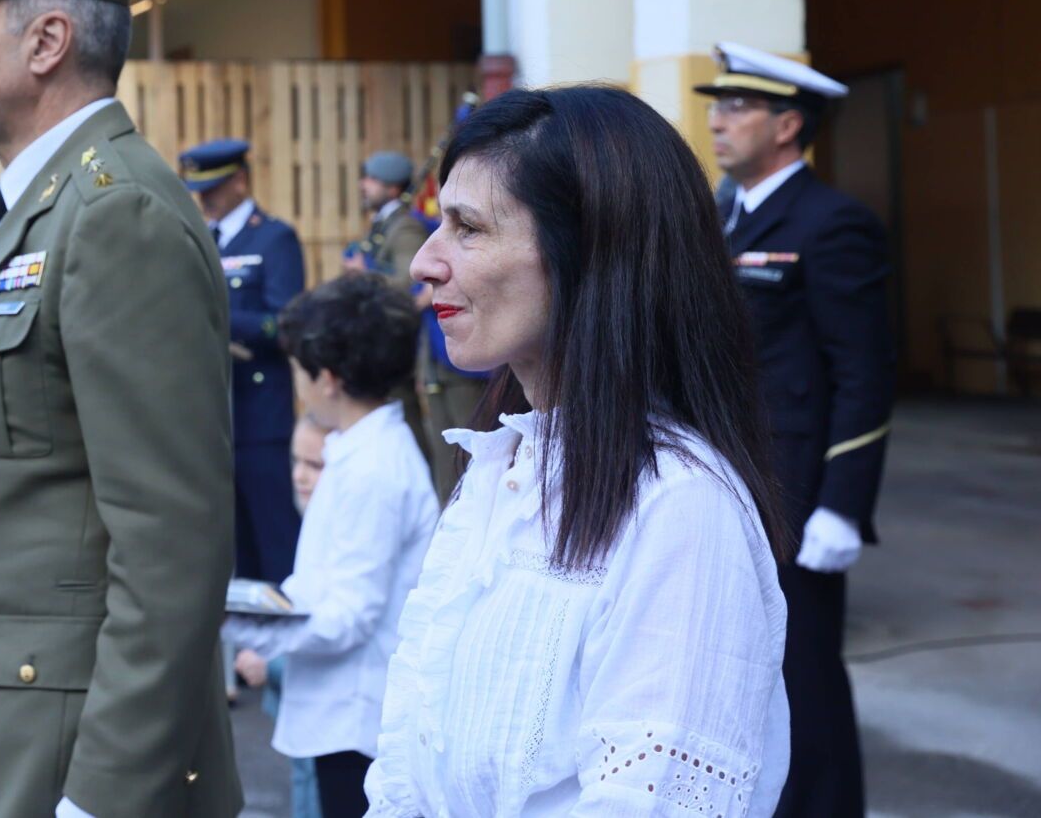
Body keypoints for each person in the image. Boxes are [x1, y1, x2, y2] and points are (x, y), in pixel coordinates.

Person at [365, 85, 794, 816]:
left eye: (468, 228)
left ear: (588, 250)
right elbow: (413, 759)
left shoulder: (678, 508)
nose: (425, 263)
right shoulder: (506, 462)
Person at [0, 0, 241, 818]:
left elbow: (172, 547)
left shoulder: (113, 215)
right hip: (3, 733)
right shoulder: (48, 206)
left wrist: (103, 798)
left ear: (47, 39)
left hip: (64, 761)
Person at [697, 42, 896, 818]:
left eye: (736, 106)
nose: (717, 120)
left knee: (805, 685)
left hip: (796, 497)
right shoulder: (723, 214)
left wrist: (843, 504)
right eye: (715, 105)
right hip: (725, 482)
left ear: (787, 125)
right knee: (738, 671)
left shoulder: (831, 222)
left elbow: (864, 371)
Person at [224, 273, 439, 818]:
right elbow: (319, 585)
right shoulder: (358, 451)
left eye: (297, 369)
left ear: (328, 379)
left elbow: (349, 616)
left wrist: (229, 615)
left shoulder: (373, 468)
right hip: (342, 712)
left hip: (357, 719)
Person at [178, 137, 306, 583]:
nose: (203, 198)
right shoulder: (199, 240)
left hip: (258, 419)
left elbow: (286, 322)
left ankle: (280, 653)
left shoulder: (272, 238)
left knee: (273, 547)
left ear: (240, 180)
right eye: (197, 189)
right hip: (212, 418)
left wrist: (216, 314)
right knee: (232, 556)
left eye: (212, 188)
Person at [346, 149, 485, 498]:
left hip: (419, 349)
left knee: (460, 446)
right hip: (417, 354)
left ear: (393, 188)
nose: (364, 185)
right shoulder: (384, 224)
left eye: (373, 180)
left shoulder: (403, 225)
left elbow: (412, 283)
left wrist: (368, 275)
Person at [234, 414, 330, 818]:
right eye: (296, 462)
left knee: (311, 785)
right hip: (313, 701)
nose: (299, 477)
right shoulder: (316, 523)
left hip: (332, 714)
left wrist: (268, 660)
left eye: (315, 465)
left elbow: (345, 625)